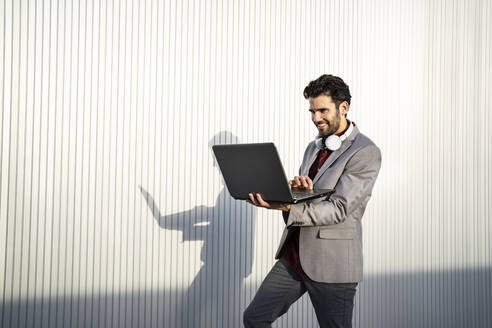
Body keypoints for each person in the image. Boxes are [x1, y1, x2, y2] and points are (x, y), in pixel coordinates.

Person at [243, 74, 382, 328]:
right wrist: (295, 193)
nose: (316, 118)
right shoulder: (314, 146)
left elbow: (339, 209)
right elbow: (310, 200)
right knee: (254, 318)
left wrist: (288, 206)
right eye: (312, 111)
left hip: (333, 265)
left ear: (344, 108)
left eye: (322, 110)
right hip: (294, 257)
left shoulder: (365, 152)